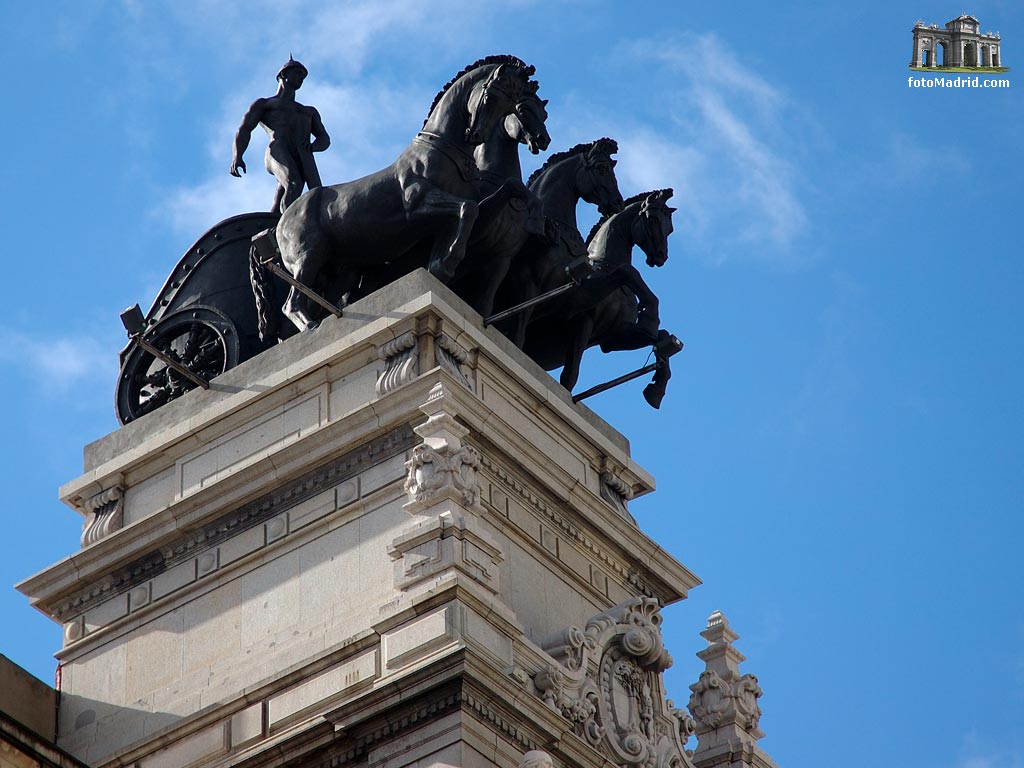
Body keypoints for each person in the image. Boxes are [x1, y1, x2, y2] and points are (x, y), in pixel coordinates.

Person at [230, 57, 331, 213]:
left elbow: (324, 138)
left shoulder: (308, 111)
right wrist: (238, 156)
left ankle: (273, 220)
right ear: (284, 75)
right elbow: (244, 129)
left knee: (300, 191)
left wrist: (313, 146)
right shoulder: (266, 104)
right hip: (278, 149)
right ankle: (287, 224)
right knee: (293, 182)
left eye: (302, 76)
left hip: (303, 153)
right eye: (297, 73)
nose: (300, 78)